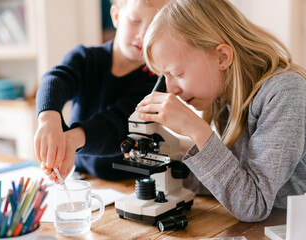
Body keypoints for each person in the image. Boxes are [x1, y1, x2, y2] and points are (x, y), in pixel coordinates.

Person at [136, 0, 306, 222]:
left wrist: (196, 130)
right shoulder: (225, 98)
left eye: (177, 74)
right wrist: (164, 154)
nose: (171, 91)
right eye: (164, 77)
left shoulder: (285, 92)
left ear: (222, 58)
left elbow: (253, 203)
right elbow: (229, 181)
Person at [34, 0, 169, 181]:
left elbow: (117, 125)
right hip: (80, 173)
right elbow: (56, 80)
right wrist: (48, 118)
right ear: (116, 16)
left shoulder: (155, 83)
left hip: (128, 181)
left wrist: (71, 141)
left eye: (155, 27)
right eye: (135, 21)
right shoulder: (86, 58)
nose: (143, 34)